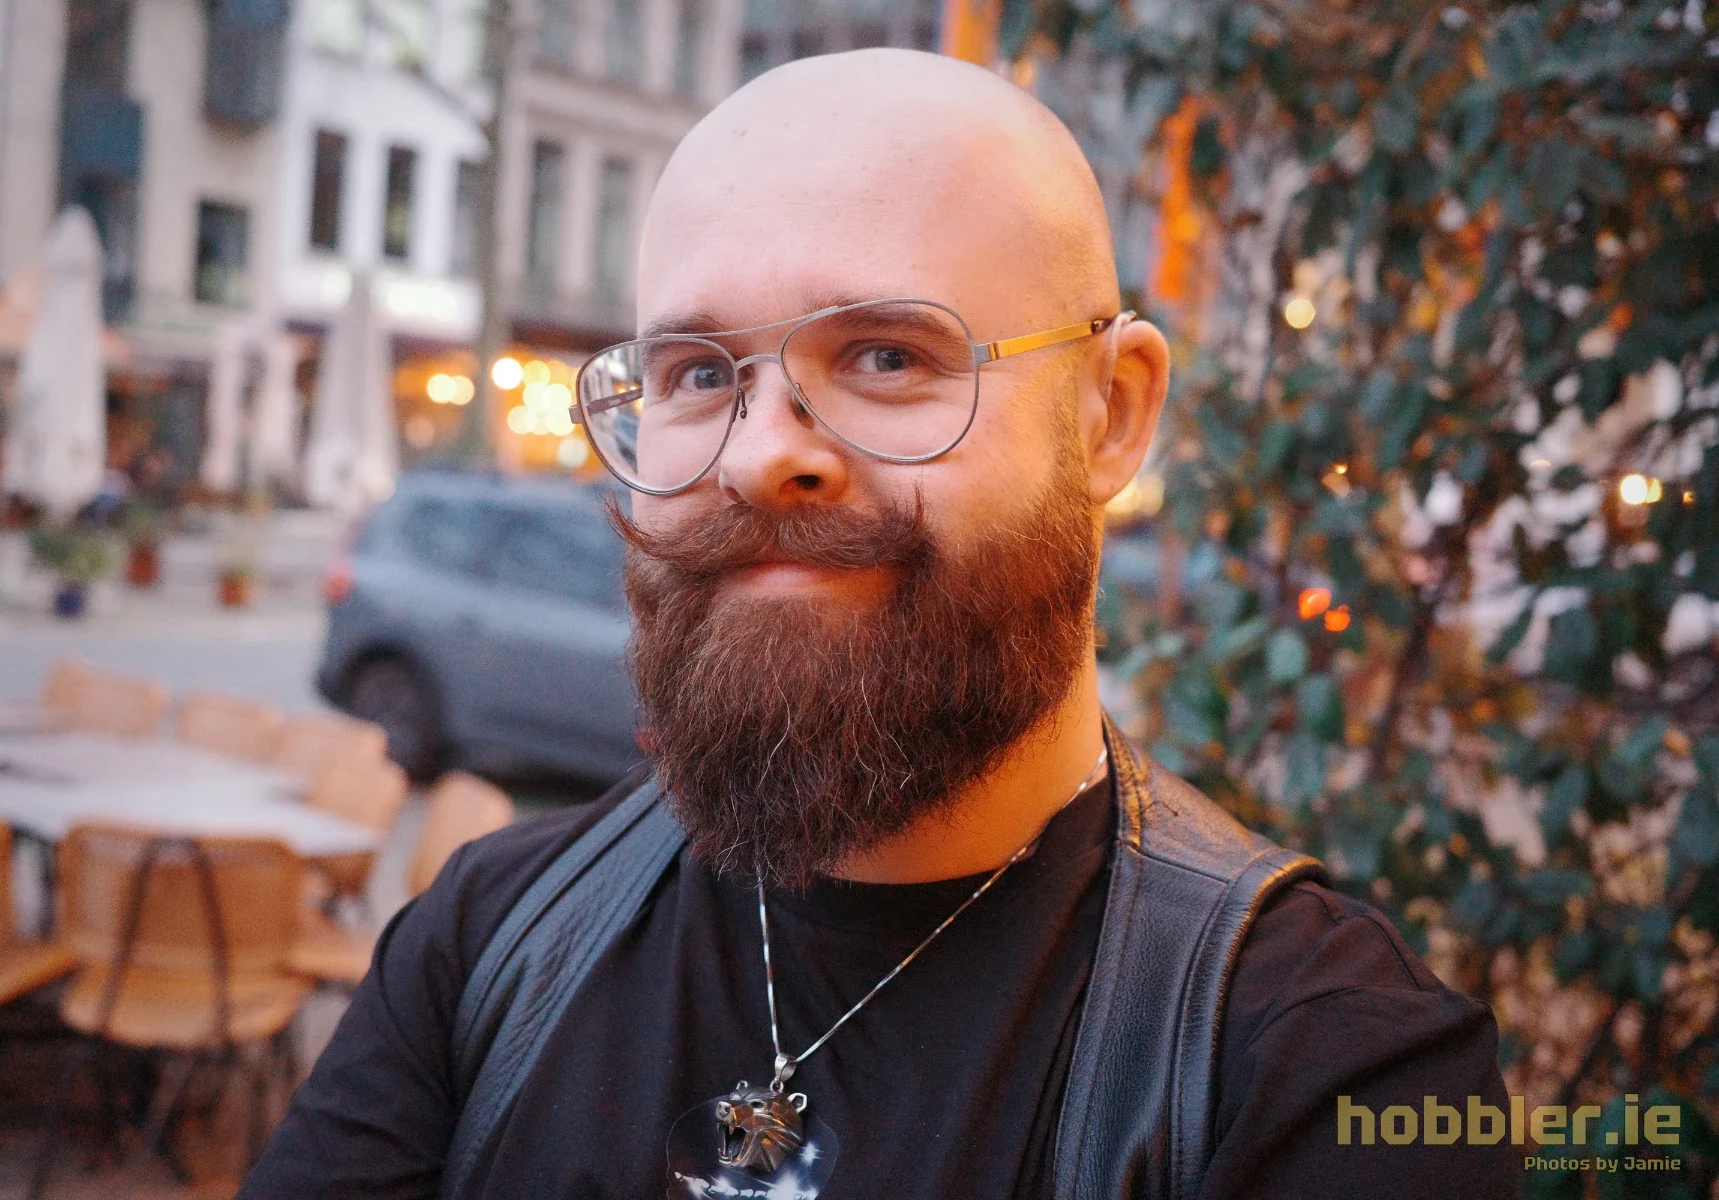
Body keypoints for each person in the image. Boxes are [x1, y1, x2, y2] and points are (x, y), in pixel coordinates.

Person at [241, 50, 1518, 1200]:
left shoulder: (1314, 1069)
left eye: (888, 357)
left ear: (1112, 414)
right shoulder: (488, 942)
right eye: (698, 373)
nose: (760, 456)